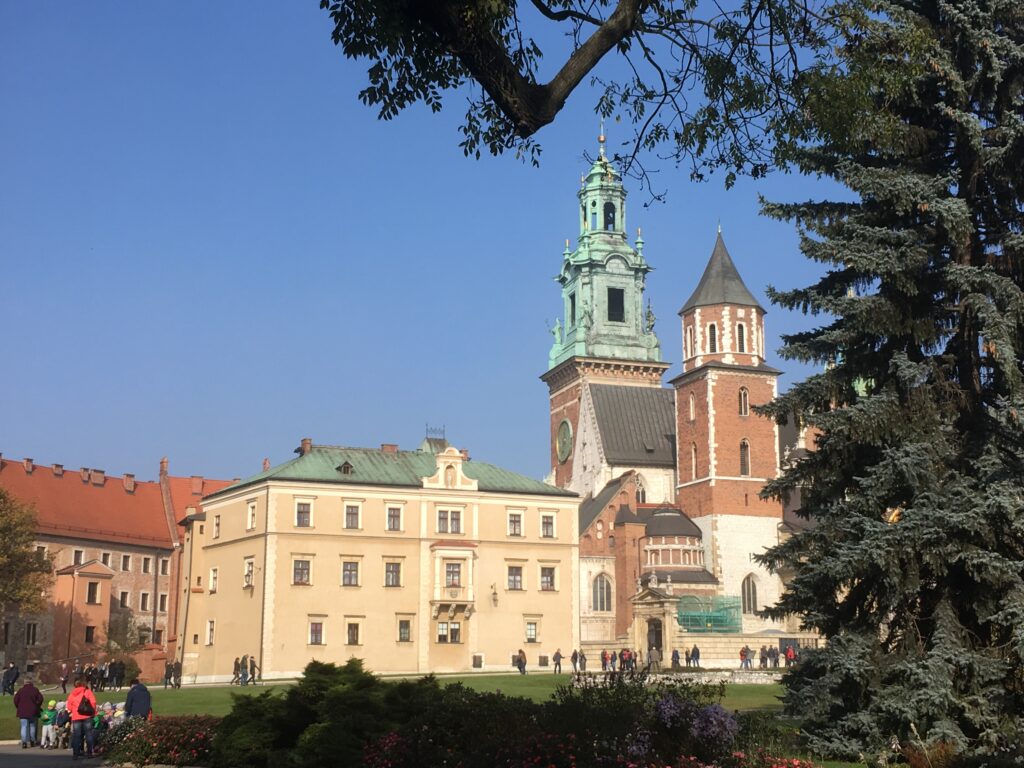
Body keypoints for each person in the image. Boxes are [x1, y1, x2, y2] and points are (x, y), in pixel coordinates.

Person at [67, 676, 98, 759]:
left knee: (76, 735)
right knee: (89, 734)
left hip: (76, 717)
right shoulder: (87, 692)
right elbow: (93, 703)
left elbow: (69, 707)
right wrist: (93, 712)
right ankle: (89, 753)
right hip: (87, 716)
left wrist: (74, 709)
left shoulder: (72, 694)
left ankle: (75, 754)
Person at [13, 677, 43, 748]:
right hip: (33, 711)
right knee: (32, 726)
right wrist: (37, 705)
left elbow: (15, 700)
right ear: (31, 682)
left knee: (24, 727)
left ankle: (24, 742)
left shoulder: (21, 690)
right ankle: (32, 741)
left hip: (22, 711)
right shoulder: (35, 690)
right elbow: (40, 699)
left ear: (24, 682)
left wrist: (18, 707)